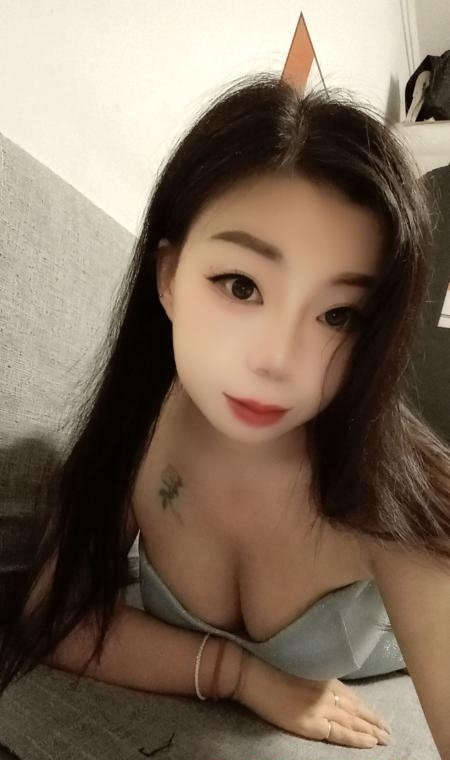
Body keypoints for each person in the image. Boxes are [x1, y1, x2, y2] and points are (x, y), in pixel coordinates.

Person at [1, 72, 449, 755]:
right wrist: (239, 675)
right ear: (168, 277)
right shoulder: (139, 428)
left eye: (339, 315)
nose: (279, 360)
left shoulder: (395, 488)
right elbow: (54, 613)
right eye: (240, 285)